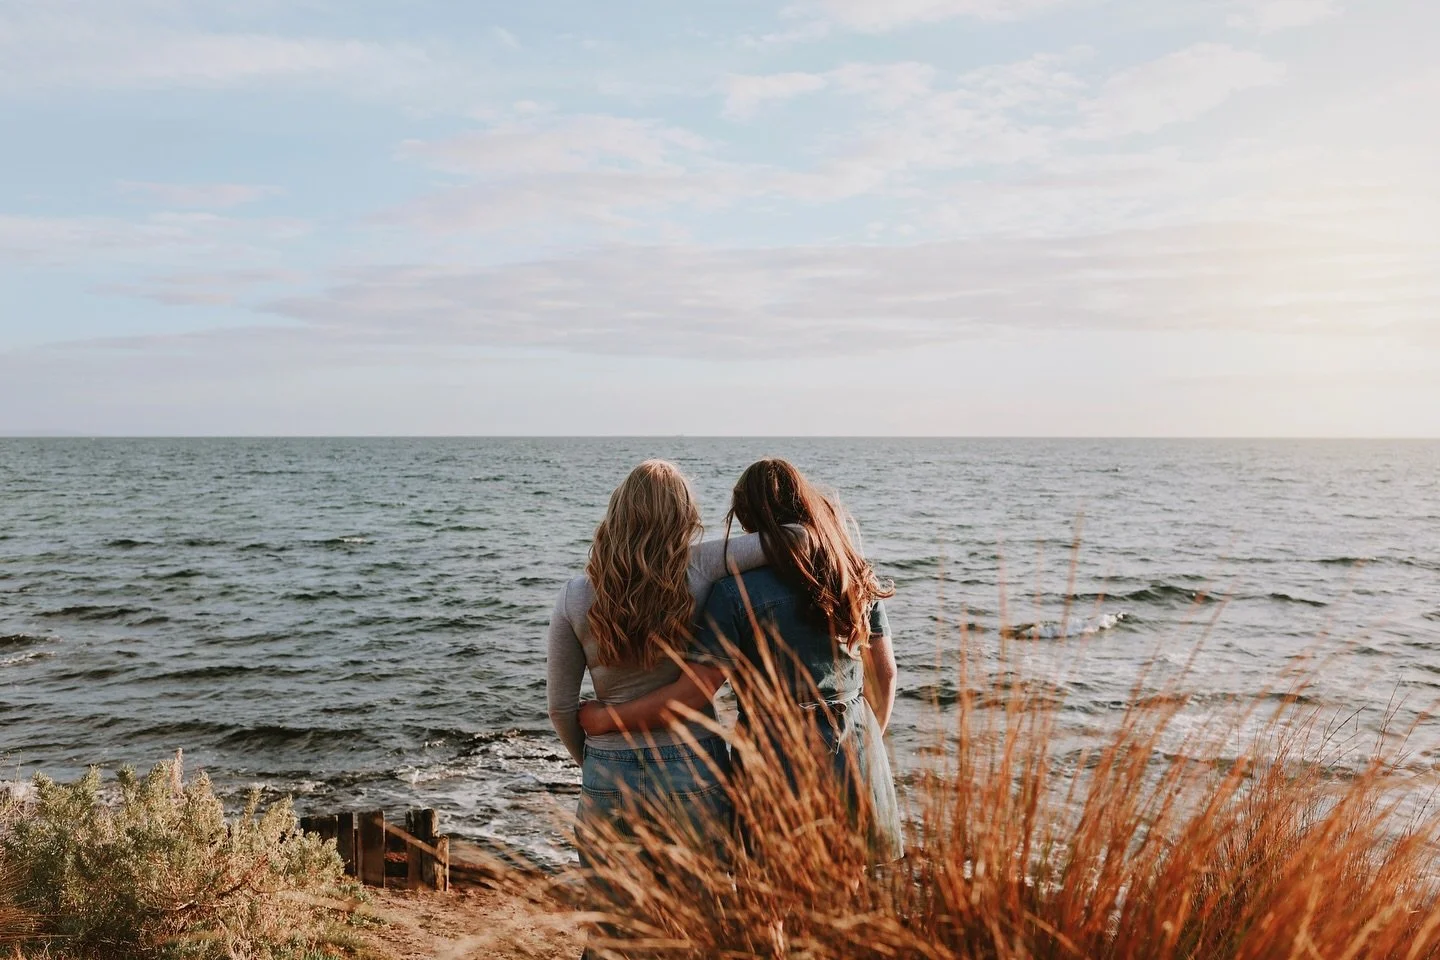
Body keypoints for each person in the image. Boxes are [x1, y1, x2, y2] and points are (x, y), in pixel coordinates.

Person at [579, 457, 903, 862]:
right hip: (856, 744)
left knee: (767, 899)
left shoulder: (734, 593)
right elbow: (885, 674)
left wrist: (605, 719)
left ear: (746, 516)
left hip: (774, 754)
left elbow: (692, 694)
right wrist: (866, 737)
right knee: (846, 890)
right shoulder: (850, 574)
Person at [546, 459, 770, 877]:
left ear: (617, 513)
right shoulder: (703, 567)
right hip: (693, 764)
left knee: (616, 925)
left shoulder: (576, 595)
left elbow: (560, 709)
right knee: (700, 922)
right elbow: (794, 538)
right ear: (683, 516)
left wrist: (593, 761)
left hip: (609, 768)